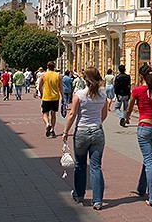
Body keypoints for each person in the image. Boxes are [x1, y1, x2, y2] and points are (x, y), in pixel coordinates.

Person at [63, 66, 108, 211]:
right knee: (96, 167)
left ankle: (79, 194)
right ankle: (98, 200)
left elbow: (72, 114)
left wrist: (65, 131)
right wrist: (97, 123)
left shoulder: (80, 95)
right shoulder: (103, 95)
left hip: (81, 132)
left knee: (80, 165)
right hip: (97, 132)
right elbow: (104, 114)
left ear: (85, 79)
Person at [125, 64, 152, 207]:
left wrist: (126, 118)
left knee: (149, 161)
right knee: (148, 157)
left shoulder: (137, 91)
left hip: (144, 127)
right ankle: (141, 188)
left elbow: (130, 107)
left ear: (140, 77)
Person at [39, 61, 63, 138]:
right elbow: (61, 88)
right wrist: (62, 97)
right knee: (53, 114)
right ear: (54, 67)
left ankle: (47, 124)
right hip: (55, 97)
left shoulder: (44, 75)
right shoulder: (58, 75)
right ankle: (52, 130)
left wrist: (41, 93)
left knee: (45, 113)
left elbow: (39, 86)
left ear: (47, 67)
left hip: (46, 97)